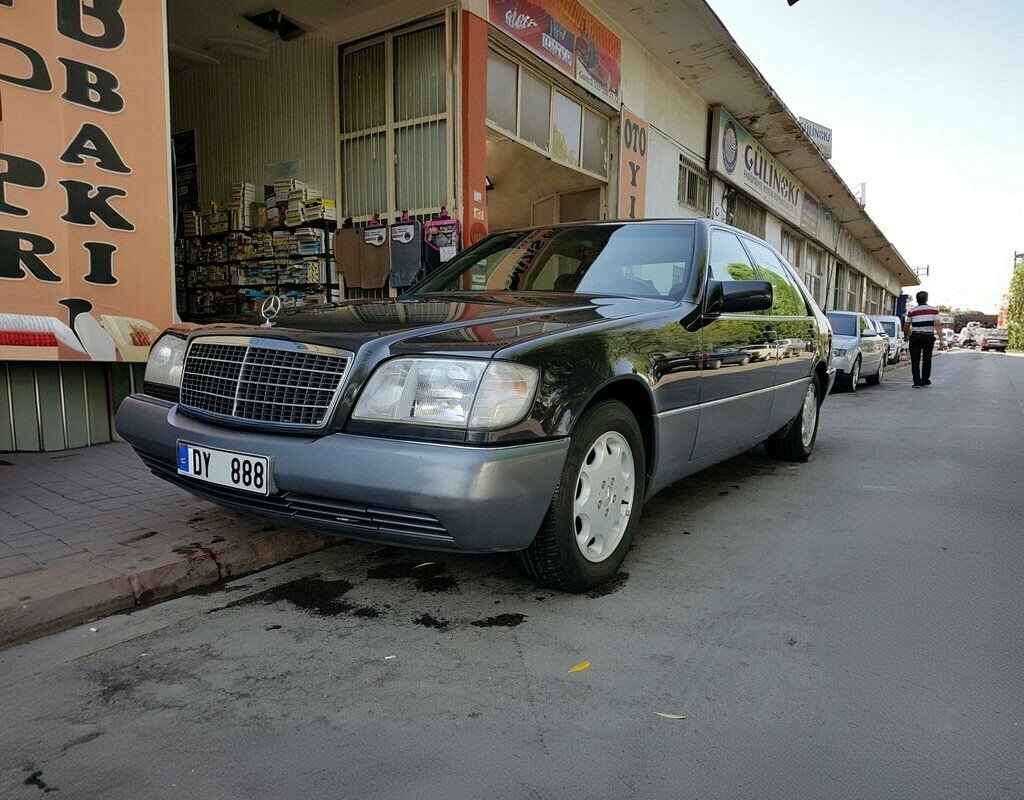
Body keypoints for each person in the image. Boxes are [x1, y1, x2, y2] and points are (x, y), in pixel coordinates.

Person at [903, 291, 945, 387]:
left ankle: (916, 381)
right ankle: (925, 379)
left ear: (917, 300)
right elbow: (937, 324)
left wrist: (906, 336)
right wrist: (941, 339)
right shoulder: (934, 310)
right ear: (927, 299)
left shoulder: (912, 311)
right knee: (927, 358)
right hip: (928, 337)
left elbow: (907, 325)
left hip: (916, 336)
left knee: (915, 359)